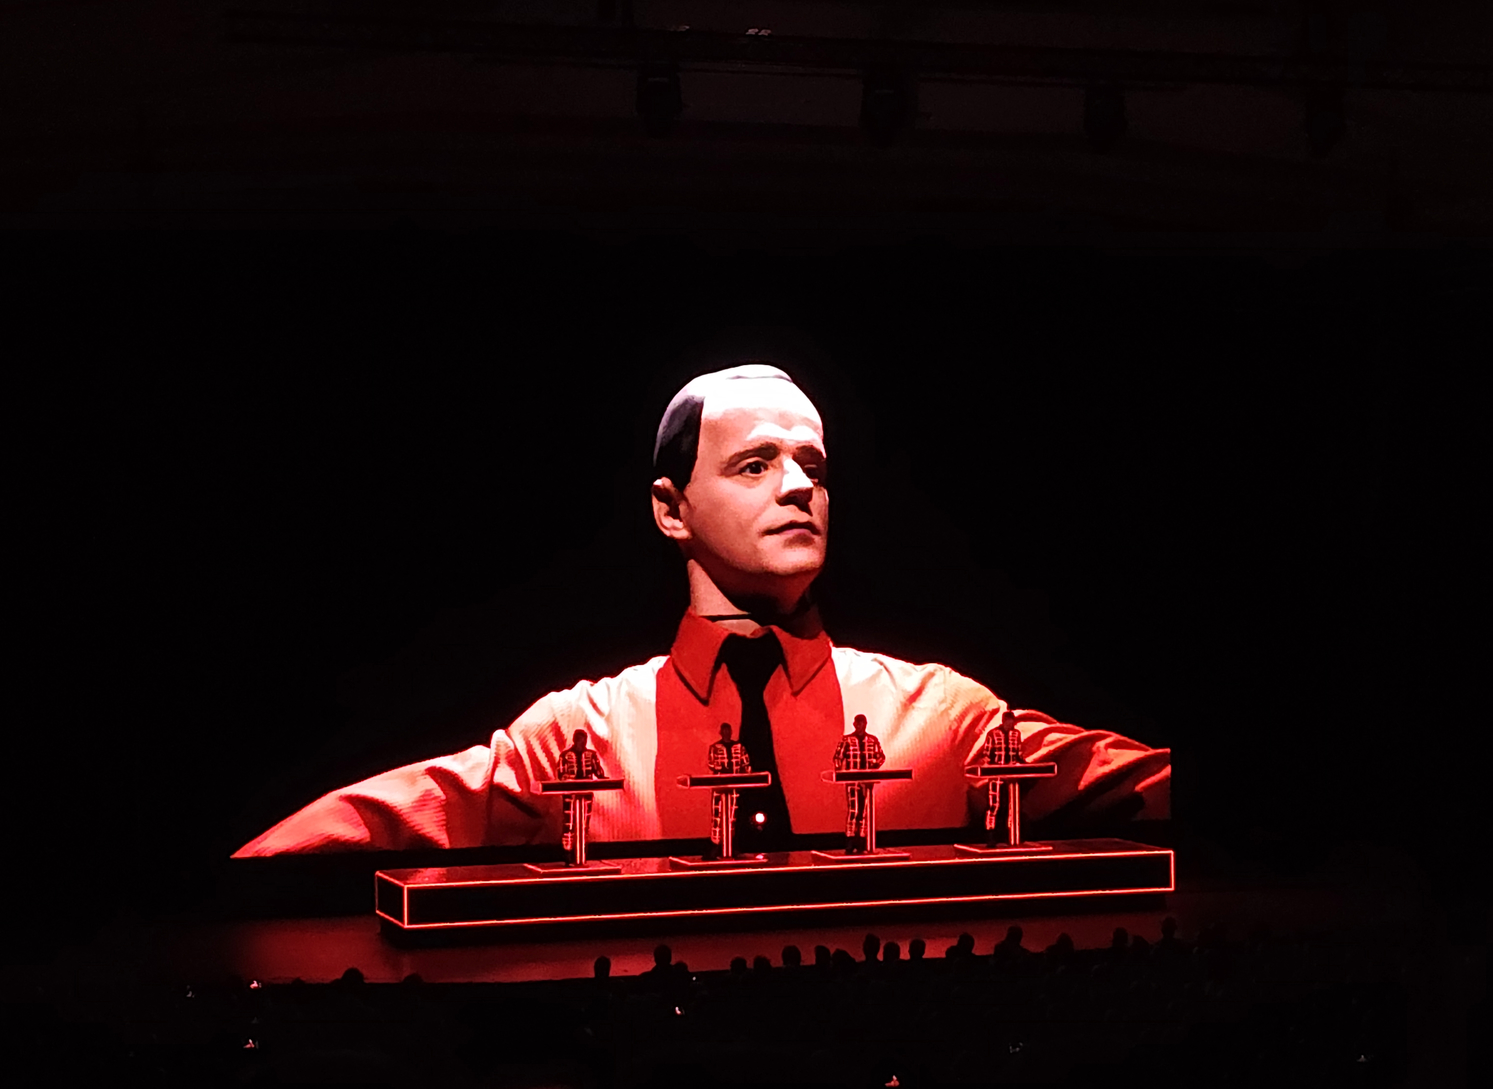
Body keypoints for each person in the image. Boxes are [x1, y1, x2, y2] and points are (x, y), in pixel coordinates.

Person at [234, 361, 1169, 856]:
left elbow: (1142, 782)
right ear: (670, 509)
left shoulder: (947, 717)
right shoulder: (578, 736)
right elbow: (378, 821)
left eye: (814, 466)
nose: (798, 487)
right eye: (755, 464)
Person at [833, 713, 886, 853]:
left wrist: (874, 765)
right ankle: (850, 841)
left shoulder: (872, 740)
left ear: (866, 724)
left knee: (864, 812)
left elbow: (881, 756)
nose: (860, 726)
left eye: (863, 723)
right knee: (854, 810)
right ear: (854, 724)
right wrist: (839, 772)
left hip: (868, 782)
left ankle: (861, 841)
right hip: (852, 780)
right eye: (858, 723)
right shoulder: (847, 740)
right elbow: (838, 757)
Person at [556, 729, 608, 856]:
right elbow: (560, 773)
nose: (583, 743)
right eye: (580, 740)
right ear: (575, 740)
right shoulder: (565, 755)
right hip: (570, 794)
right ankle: (568, 854)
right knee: (569, 823)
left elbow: (598, 772)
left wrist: (603, 778)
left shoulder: (591, 754)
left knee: (584, 823)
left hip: (586, 792)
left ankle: (582, 851)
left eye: (584, 740)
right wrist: (567, 779)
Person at [705, 722, 752, 858]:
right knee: (717, 816)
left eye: (728, 730)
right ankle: (716, 845)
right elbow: (711, 763)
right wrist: (722, 770)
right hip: (720, 786)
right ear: (721, 732)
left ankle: (731, 845)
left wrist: (745, 777)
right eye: (724, 730)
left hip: (735, 786)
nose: (726, 733)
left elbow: (746, 763)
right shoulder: (715, 747)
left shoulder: (739, 747)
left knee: (733, 815)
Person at [981, 708, 1025, 845]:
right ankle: (990, 834)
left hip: (1011, 776)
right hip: (996, 776)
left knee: (1011, 806)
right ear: (1004, 721)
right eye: (1008, 722)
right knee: (994, 805)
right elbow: (986, 754)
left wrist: (1023, 765)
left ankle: (1010, 834)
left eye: (1012, 722)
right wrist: (990, 768)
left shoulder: (1016, 734)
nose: (1010, 725)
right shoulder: (993, 734)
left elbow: (1019, 754)